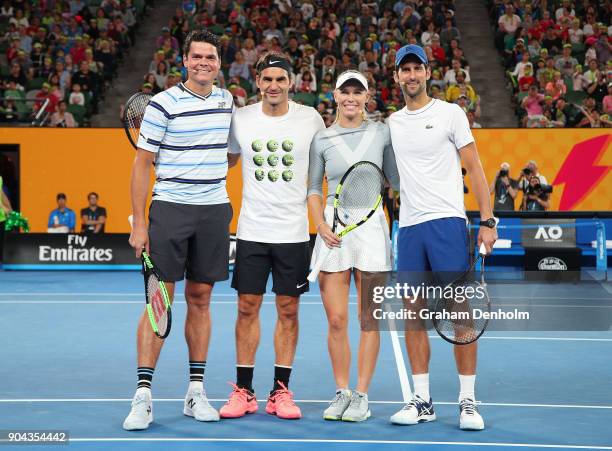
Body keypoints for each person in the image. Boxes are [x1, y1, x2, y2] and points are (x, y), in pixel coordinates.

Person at [123, 29, 234, 431]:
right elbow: (141, 165)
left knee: (201, 298)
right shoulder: (163, 103)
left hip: (213, 210)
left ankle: (196, 392)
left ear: (219, 64)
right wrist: (139, 223)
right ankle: (143, 396)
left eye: (211, 57)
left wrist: (214, 165)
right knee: (160, 301)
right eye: (197, 57)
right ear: (184, 61)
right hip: (170, 209)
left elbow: (230, 153)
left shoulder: (227, 101)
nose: (203, 63)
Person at [387, 44, 497, 430]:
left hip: (448, 223)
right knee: (413, 315)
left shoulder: (451, 113)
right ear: (397, 76)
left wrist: (488, 221)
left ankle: (468, 402)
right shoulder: (392, 124)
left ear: (427, 73)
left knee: (460, 312)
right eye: (405, 70)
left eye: (417, 68)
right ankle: (422, 400)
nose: (412, 75)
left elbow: (476, 169)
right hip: (410, 228)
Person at [221, 52, 325, 421]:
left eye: (280, 79)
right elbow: (226, 160)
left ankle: (280, 392)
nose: (273, 86)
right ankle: (244, 391)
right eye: (267, 79)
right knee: (246, 308)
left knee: (289, 310)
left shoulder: (310, 119)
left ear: (291, 82)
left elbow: (321, 170)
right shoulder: (242, 119)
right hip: (252, 230)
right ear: (258, 82)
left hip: (294, 233)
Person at [307, 70, 399, 422]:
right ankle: (342, 390)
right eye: (344, 91)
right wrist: (320, 225)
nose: (350, 97)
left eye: (357, 92)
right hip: (333, 228)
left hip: (371, 228)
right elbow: (314, 189)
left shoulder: (382, 133)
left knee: (368, 319)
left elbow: (394, 179)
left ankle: (361, 395)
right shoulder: (321, 139)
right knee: (336, 319)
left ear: (367, 97)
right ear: (334, 95)